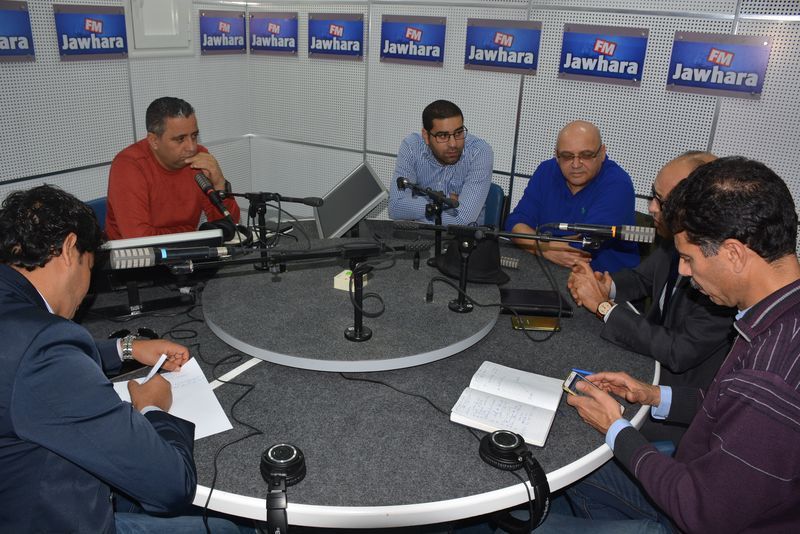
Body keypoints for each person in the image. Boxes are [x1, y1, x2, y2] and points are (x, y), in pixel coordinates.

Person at [538, 157, 800, 533]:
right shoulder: (780, 317)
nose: (682, 271)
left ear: (733, 253)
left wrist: (616, 429)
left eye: (689, 259)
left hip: (687, 511)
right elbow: (728, 406)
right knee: (556, 471)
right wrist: (653, 394)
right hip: (689, 479)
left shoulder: (769, 378)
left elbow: (703, 511)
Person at [0, 185, 246, 533]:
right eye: (89, 267)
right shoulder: (42, 349)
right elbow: (171, 487)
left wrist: (127, 348)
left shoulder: (17, 322)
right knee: (228, 529)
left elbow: (26, 360)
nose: (88, 289)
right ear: (70, 249)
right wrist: (153, 408)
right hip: (54, 517)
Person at [566, 151, 736, 444]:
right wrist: (604, 286)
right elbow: (642, 279)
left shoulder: (721, 278)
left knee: (575, 424)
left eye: (662, 201)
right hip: (642, 368)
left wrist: (604, 307)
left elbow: (678, 351)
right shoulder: (672, 242)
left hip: (678, 408)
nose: (652, 208)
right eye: (652, 196)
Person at [505, 121, 638, 273]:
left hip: (604, 278)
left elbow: (585, 244)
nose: (576, 164)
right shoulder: (546, 171)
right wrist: (543, 247)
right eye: (567, 156)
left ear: (602, 153)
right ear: (556, 155)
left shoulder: (618, 184)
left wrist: (538, 243)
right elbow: (515, 223)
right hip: (549, 269)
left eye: (586, 155)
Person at [106, 96, 241, 240]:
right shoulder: (129, 165)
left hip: (186, 248)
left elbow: (229, 227)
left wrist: (219, 183)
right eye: (180, 139)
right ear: (154, 141)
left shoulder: (198, 159)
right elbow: (139, 239)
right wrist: (191, 233)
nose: (191, 147)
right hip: (131, 253)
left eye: (194, 136)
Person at [389, 100, 494, 226]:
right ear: (426, 136)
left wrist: (415, 207)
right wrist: (442, 202)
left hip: (463, 237)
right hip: (419, 234)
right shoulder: (412, 147)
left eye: (458, 133)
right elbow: (395, 207)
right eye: (443, 136)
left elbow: (462, 220)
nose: (453, 144)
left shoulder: (479, 152)